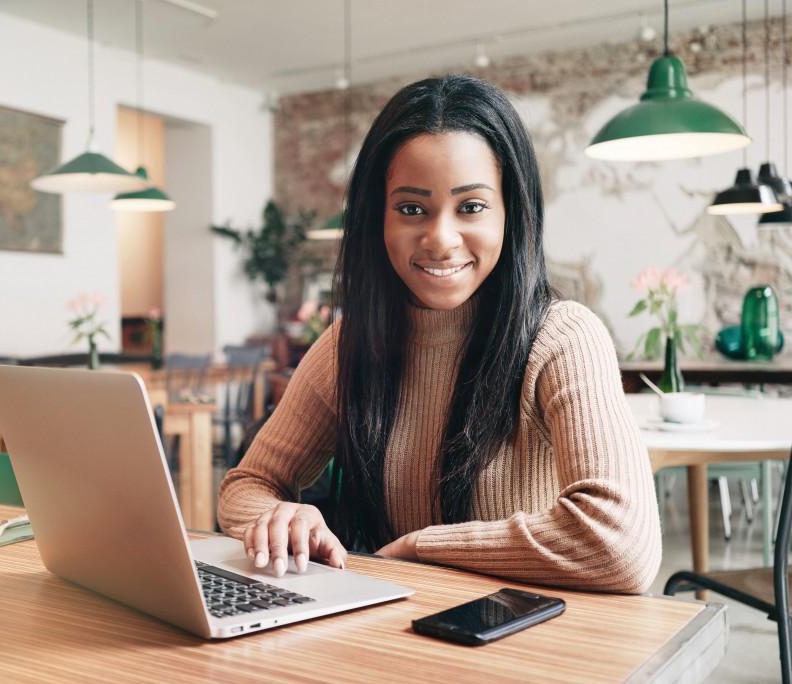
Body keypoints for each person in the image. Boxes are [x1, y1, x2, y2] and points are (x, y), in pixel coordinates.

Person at [216, 74, 661, 594]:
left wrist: (423, 546)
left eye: (471, 207)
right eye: (411, 209)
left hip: (529, 643)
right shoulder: (348, 346)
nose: (441, 239)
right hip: (397, 634)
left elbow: (623, 543)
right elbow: (247, 486)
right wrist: (282, 517)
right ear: (377, 218)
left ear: (511, 214)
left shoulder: (563, 338)